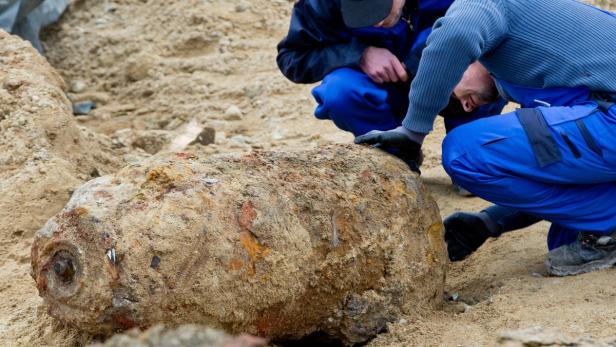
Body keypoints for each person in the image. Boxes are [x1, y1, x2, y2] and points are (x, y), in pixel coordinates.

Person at [355, 0, 616, 276]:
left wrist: (412, 132)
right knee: (567, 237)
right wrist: (489, 222)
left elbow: (456, 34)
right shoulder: (538, 65)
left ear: (461, 61)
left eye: (453, 95)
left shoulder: (484, 6)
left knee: (464, 153)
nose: (466, 107)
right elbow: (554, 179)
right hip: (605, 120)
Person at [276, 0, 506, 178]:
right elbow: (292, 57)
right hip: (381, 88)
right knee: (339, 92)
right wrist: (359, 54)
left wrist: (428, 60)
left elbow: (505, 24)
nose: (374, 22)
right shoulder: (322, 4)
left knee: (486, 69)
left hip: (453, 84)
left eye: (379, 7)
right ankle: (397, 159)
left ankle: (471, 156)